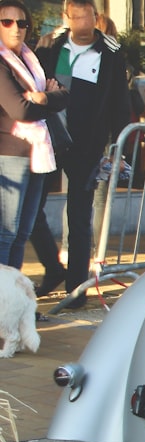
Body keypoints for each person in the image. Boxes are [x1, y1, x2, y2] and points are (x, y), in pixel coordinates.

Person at [28, 0, 130, 308]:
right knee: (31, 209)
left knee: (80, 216)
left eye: (85, 18)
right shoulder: (51, 47)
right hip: (51, 138)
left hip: (87, 145)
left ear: (96, 18)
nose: (80, 24)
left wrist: (120, 147)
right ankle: (52, 266)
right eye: (74, 18)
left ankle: (76, 290)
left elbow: (119, 102)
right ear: (66, 17)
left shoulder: (110, 53)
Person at [0, 0, 66, 268]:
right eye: (7, 22)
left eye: (22, 22)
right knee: (7, 234)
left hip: (37, 154)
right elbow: (20, 110)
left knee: (22, 235)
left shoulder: (31, 60)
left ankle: (13, 299)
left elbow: (64, 94)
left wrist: (43, 98)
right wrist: (46, 99)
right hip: (10, 154)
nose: (16, 28)